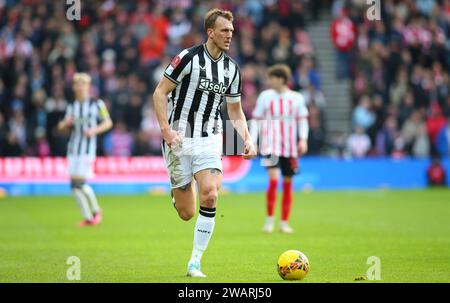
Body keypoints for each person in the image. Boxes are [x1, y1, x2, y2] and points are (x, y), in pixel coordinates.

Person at [152, 8, 257, 278]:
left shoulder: (231, 69)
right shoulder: (187, 58)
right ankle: (179, 196)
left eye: (232, 31)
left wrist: (247, 138)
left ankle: (195, 262)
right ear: (210, 32)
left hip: (210, 137)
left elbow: (235, 110)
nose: (229, 35)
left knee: (210, 194)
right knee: (187, 213)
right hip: (178, 138)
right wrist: (165, 130)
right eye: (224, 30)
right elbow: (160, 92)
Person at [251, 64, 309, 234]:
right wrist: (252, 141)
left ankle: (284, 222)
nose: (269, 81)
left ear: (282, 79)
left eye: (272, 78)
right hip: (270, 145)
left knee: (288, 183)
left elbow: (302, 121)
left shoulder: (296, 98)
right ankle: (269, 220)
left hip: (290, 148)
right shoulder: (265, 97)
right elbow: (256, 120)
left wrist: (303, 140)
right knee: (274, 180)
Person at [57, 73, 113, 227]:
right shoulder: (72, 106)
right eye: (77, 84)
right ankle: (88, 217)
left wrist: (93, 131)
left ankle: (96, 210)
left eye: (83, 84)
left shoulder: (97, 103)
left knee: (79, 183)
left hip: (87, 149)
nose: (80, 87)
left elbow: (108, 122)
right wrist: (65, 123)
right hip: (73, 148)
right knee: (73, 186)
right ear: (74, 87)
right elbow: (60, 128)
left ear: (88, 86)